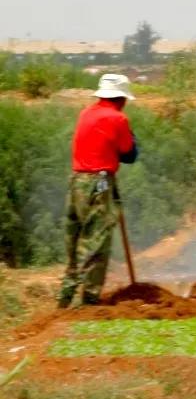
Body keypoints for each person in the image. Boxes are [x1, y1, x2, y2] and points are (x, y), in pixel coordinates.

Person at [58, 73, 138, 308]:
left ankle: (65, 295)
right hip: (98, 183)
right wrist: (132, 138)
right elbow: (129, 154)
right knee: (98, 241)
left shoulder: (86, 113)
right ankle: (90, 300)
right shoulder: (117, 119)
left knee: (75, 238)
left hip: (77, 182)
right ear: (120, 99)